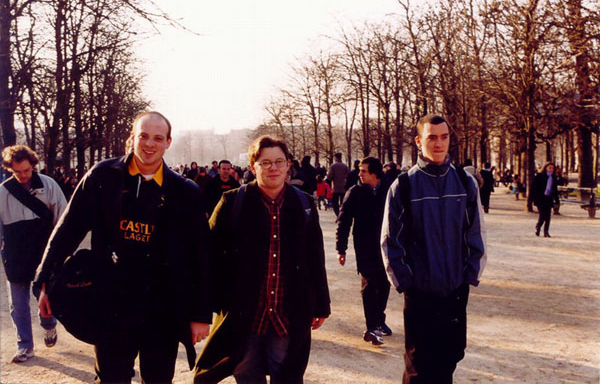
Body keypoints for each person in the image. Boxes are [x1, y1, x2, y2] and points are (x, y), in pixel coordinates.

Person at [35, 111, 212, 383]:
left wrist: (200, 313)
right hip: (111, 300)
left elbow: (200, 253)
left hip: (162, 305)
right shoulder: (102, 177)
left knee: (158, 379)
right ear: (132, 138)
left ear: (168, 142)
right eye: (143, 136)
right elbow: (68, 230)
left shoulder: (184, 191)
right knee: (111, 377)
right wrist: (44, 279)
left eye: (158, 138)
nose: (149, 144)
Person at [199, 135, 330, 383]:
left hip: (287, 312)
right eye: (265, 162)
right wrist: (208, 305)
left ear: (288, 165)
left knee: (287, 373)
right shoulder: (232, 202)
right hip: (245, 313)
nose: (273, 168)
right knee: (246, 372)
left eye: (279, 162)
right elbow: (208, 255)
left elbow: (315, 258)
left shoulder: (304, 204)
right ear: (253, 167)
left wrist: (322, 304)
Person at [381, 114, 487, 384]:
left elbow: (476, 232)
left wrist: (469, 275)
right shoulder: (403, 186)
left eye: (444, 137)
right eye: (432, 137)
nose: (439, 143)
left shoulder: (464, 182)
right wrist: (406, 283)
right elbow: (391, 240)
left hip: (455, 290)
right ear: (419, 141)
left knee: (450, 358)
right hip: (421, 293)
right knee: (418, 366)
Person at [0, 145, 67, 363]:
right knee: (18, 306)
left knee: (46, 300)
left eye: (26, 170)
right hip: (16, 254)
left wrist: (61, 252)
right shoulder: (3, 192)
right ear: (9, 169)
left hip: (44, 253)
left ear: (33, 166)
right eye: (17, 172)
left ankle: (49, 326)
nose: (22, 176)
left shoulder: (49, 185)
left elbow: (63, 219)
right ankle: (24, 346)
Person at [336, 157, 392, 346]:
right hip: (364, 246)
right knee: (369, 285)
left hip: (386, 245)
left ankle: (379, 319)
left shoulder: (389, 190)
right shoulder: (355, 192)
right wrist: (341, 249)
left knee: (384, 283)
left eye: (363, 171)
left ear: (374, 174)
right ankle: (372, 327)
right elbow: (343, 221)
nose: (359, 174)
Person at [533, 162, 559, 238]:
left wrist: (557, 200)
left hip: (548, 199)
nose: (551, 169)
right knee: (542, 215)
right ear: (545, 168)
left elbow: (555, 190)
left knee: (548, 216)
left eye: (553, 168)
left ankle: (546, 232)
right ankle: (538, 226)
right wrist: (533, 199)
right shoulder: (539, 176)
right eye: (550, 168)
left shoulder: (553, 178)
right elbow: (534, 188)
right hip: (540, 199)